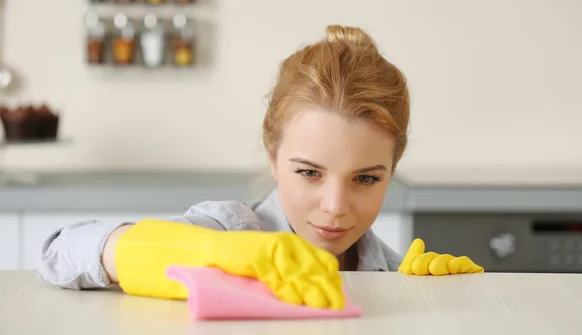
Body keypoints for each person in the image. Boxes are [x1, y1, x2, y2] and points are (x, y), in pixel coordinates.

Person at [34, 25, 411, 310]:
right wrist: (210, 251)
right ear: (273, 156)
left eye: (365, 178)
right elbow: (59, 252)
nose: (335, 206)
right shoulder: (232, 230)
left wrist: (452, 296)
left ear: (391, 171)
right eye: (310, 172)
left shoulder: (399, 275)